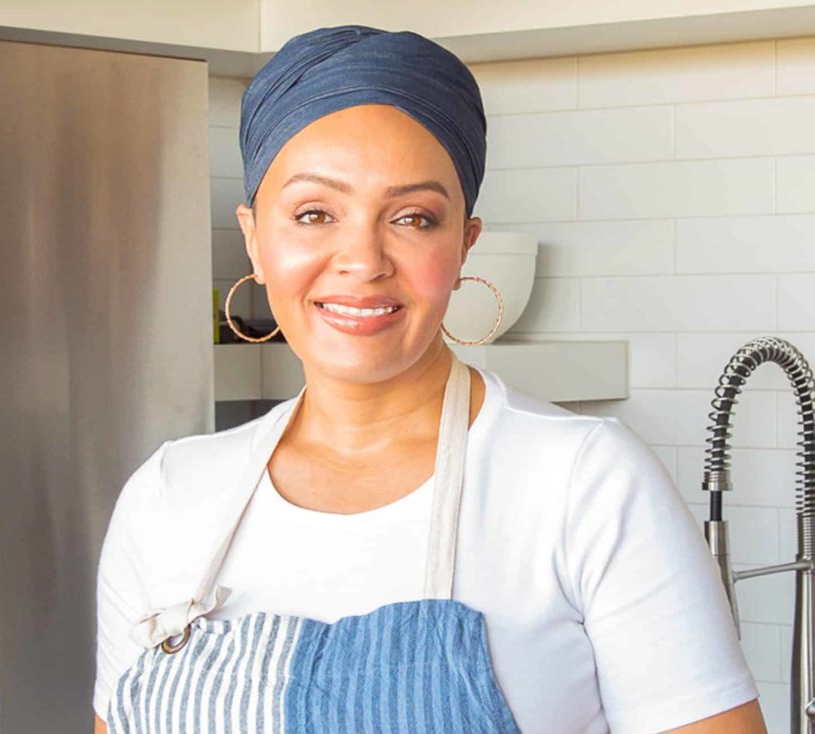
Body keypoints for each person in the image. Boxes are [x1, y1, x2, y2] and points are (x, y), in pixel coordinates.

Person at [92, 24, 767, 734]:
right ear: (255, 238)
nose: (363, 260)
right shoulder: (168, 497)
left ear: (464, 245)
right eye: (314, 214)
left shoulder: (585, 485)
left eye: (413, 218)